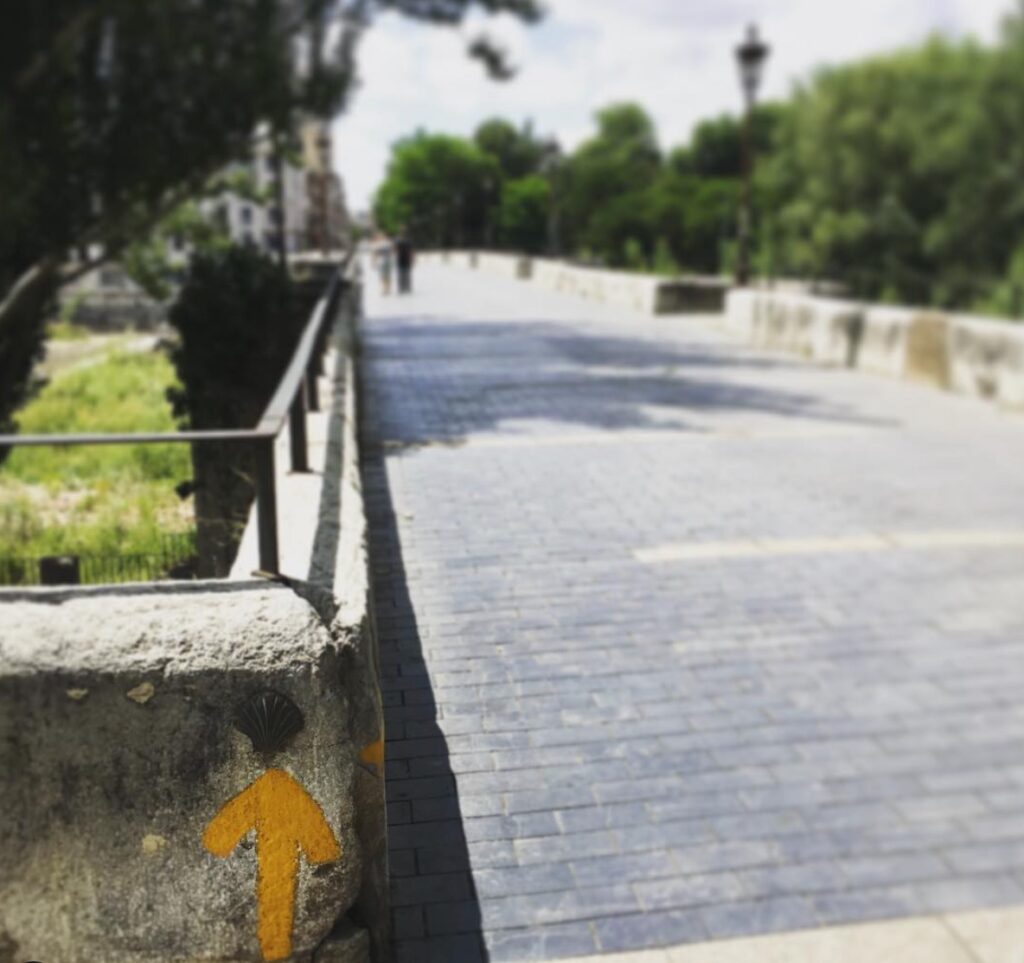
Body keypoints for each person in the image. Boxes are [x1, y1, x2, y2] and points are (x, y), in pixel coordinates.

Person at [395, 230, 414, 294]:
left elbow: (396, 251)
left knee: (402, 274)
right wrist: (412, 259)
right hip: (405, 259)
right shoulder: (408, 241)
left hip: (401, 259)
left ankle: (402, 287)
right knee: (406, 274)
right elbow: (411, 251)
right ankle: (407, 287)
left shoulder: (398, 241)